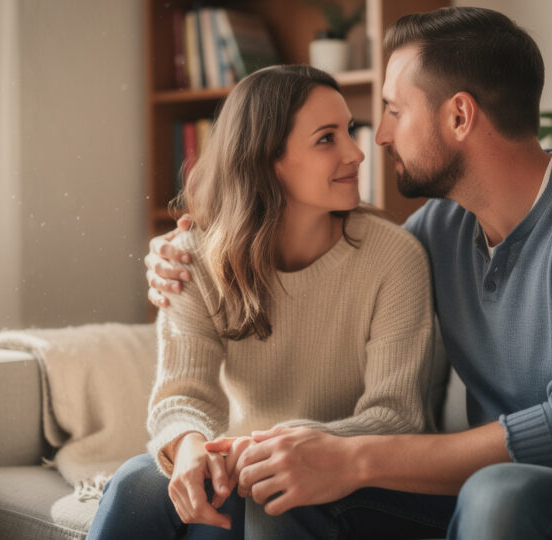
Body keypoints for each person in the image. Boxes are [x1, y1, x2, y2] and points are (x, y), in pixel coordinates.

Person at [145, 6, 552, 540]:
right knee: (288, 485)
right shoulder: (441, 231)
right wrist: (197, 249)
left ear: (459, 116)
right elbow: (341, 266)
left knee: (495, 492)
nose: (377, 137)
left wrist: (355, 460)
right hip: (501, 493)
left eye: (392, 110)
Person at [88, 65, 439, 540]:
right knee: (134, 485)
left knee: (250, 504)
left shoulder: (394, 258)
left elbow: (397, 415)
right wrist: (189, 444)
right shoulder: (189, 257)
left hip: (341, 476)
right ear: (266, 159)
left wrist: (275, 446)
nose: (357, 152)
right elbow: (182, 395)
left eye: (349, 132)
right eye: (326, 139)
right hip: (237, 464)